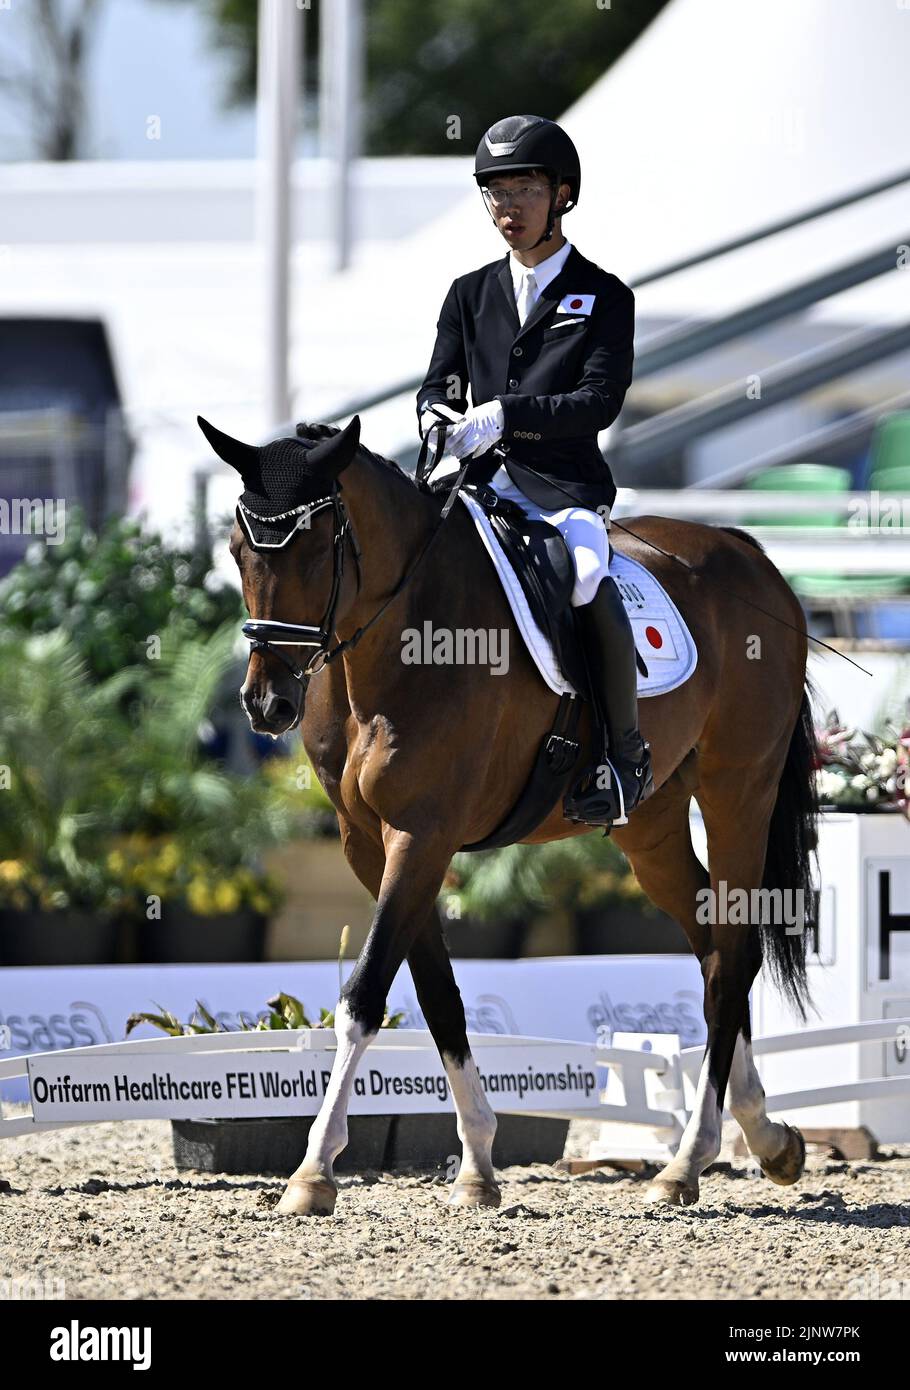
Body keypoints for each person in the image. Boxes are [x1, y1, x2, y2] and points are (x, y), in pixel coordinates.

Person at [416, 113, 653, 828]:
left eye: (523, 188)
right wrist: (435, 418)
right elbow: (439, 382)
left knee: (583, 574)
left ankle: (623, 755)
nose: (506, 207)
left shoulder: (604, 296)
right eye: (494, 191)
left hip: (561, 489)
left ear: (562, 195)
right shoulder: (468, 293)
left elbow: (598, 402)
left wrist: (507, 414)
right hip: (475, 485)